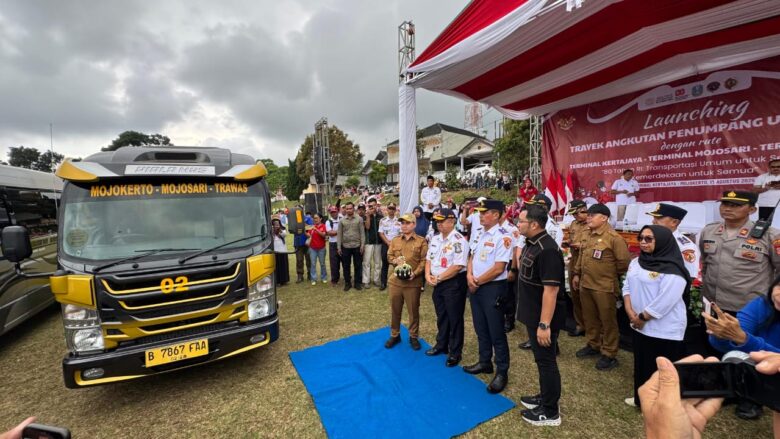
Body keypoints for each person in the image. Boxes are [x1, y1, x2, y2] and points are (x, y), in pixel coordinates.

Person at [622, 225, 689, 408]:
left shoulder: (673, 270)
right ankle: (641, 400)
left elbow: (666, 299)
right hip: (639, 324)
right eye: (641, 238)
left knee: (662, 369)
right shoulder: (637, 262)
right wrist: (629, 309)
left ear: (663, 241)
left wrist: (642, 317)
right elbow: (627, 285)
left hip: (664, 328)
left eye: (649, 239)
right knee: (643, 364)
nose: (643, 242)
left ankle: (661, 407)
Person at [516, 204, 566, 426]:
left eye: (521, 221)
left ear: (534, 224)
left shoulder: (547, 250)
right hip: (532, 313)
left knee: (546, 362)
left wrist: (544, 324)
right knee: (540, 360)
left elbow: (551, 290)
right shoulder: (533, 243)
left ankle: (550, 411)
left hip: (543, 317)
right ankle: (544, 397)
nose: (518, 225)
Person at [571, 203, 631, 371]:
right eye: (588, 215)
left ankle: (609, 353)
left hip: (604, 286)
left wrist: (606, 274)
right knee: (589, 317)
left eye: (592, 215)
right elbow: (582, 256)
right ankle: (593, 344)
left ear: (604, 218)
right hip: (586, 283)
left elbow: (623, 263)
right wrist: (576, 273)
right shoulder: (587, 234)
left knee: (607, 321)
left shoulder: (614, 238)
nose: (588, 218)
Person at [463, 199, 513, 394]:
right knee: (480, 327)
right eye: (480, 213)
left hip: (492, 288)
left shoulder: (503, 236)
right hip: (475, 286)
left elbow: (499, 268)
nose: (481, 216)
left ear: (497, 215)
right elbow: (471, 256)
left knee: (496, 331)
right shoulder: (479, 233)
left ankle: (502, 371)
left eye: (485, 213)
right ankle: (485, 362)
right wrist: (469, 276)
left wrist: (476, 281)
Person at [424, 208, 469, 367]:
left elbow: (458, 266)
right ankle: (441, 344)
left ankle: (455, 352)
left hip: (453, 283)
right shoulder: (435, 238)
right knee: (442, 315)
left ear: (451, 221)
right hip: (438, 282)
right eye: (437, 221)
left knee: (454, 318)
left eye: (442, 221)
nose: (438, 224)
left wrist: (438, 278)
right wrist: (427, 275)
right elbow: (428, 259)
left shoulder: (458, 240)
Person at [385, 213, 428, 350]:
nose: (404, 226)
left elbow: (424, 261)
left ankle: (413, 336)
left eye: (407, 223)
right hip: (395, 282)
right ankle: (395, 335)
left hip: (413, 283)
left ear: (414, 224)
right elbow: (389, 256)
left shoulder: (421, 241)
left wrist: (415, 273)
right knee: (395, 310)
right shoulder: (395, 240)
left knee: (413, 311)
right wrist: (394, 260)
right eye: (402, 223)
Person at [706, 276, 780, 354]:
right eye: (779, 286)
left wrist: (745, 339)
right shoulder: (761, 304)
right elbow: (732, 344)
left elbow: (741, 338)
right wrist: (721, 335)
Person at [647, 203, 700, 279]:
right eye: (654, 217)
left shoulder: (685, 247)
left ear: (674, 222)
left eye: (658, 218)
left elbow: (689, 276)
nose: (653, 221)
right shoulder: (653, 239)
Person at [566, 200, 589, 337]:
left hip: (587, 261)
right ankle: (580, 325)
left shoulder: (592, 224)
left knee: (587, 297)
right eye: (573, 214)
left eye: (577, 213)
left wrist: (580, 245)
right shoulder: (574, 224)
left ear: (584, 209)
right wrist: (568, 242)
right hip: (574, 260)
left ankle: (592, 327)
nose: (575, 216)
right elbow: (572, 238)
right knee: (575, 295)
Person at [337, 202, 365, 292]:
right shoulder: (342, 220)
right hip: (346, 246)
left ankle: (357, 283)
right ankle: (347, 283)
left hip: (357, 246)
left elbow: (362, 233)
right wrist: (339, 247)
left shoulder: (359, 219)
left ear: (353, 209)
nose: (348, 210)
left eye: (350, 208)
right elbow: (339, 234)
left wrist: (362, 245)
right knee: (346, 266)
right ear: (345, 209)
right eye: (347, 208)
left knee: (358, 265)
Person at [378, 202, 401, 291]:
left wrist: (394, 243)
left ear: (395, 210)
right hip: (386, 244)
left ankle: (398, 282)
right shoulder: (382, 220)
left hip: (396, 245)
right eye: (390, 208)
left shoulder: (399, 221)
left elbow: (401, 233)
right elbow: (381, 233)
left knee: (397, 263)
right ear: (387, 210)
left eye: (393, 208)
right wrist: (388, 242)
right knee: (385, 264)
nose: (391, 210)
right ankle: (383, 283)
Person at [362, 198, 383, 290]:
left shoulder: (380, 216)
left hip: (378, 242)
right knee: (366, 262)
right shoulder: (365, 216)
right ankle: (366, 281)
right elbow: (367, 227)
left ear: (376, 205)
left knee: (378, 262)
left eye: (374, 205)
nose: (372, 207)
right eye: (370, 205)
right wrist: (368, 216)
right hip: (368, 242)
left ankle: (376, 279)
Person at [293, 208, 313, 283]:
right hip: (298, 242)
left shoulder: (308, 218)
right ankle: (300, 276)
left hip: (307, 242)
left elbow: (311, 228)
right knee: (299, 260)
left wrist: (303, 224)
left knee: (309, 259)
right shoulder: (293, 219)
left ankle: (310, 274)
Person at [307, 213, 328, 285]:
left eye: (316, 218)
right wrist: (303, 231)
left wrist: (316, 229)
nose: (315, 219)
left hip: (321, 248)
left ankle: (324, 277)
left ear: (321, 218)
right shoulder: (312, 227)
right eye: (314, 218)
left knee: (322, 264)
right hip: (313, 248)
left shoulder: (323, 226)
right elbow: (309, 235)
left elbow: (324, 235)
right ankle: (313, 279)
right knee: (313, 264)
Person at [325, 207, 341, 285]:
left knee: (345, 261)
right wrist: (341, 230)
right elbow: (330, 233)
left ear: (337, 212)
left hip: (342, 243)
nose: (333, 213)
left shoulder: (342, 219)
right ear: (330, 213)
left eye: (335, 212)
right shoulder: (328, 222)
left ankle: (347, 278)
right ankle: (334, 279)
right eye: (332, 212)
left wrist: (335, 232)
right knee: (334, 263)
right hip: (333, 244)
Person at [271, 218, 290, 285]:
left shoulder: (283, 229)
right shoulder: (271, 231)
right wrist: (273, 231)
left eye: (278, 224)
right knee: (277, 267)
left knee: (283, 266)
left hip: (282, 250)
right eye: (275, 224)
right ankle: (277, 281)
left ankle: (284, 280)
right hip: (275, 251)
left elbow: (284, 235)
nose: (277, 225)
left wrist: (279, 231)